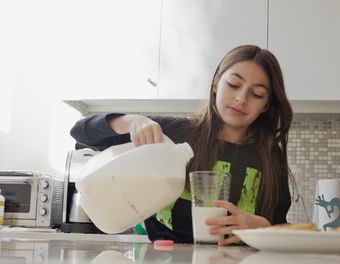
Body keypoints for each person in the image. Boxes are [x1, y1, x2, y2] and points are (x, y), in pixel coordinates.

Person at [70, 45, 293, 246]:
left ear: (266, 105)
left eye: (257, 94)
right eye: (234, 84)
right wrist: (131, 121)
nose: (241, 99)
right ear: (215, 85)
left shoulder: (270, 156)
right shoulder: (171, 134)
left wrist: (262, 227)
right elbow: (80, 132)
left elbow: (280, 228)